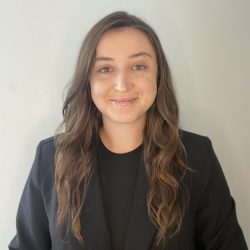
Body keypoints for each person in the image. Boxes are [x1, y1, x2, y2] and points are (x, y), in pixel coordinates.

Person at [9, 11, 248, 250]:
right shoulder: (51, 158)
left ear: (158, 75)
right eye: (105, 68)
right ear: (88, 80)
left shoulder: (196, 157)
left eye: (138, 66)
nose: (122, 84)